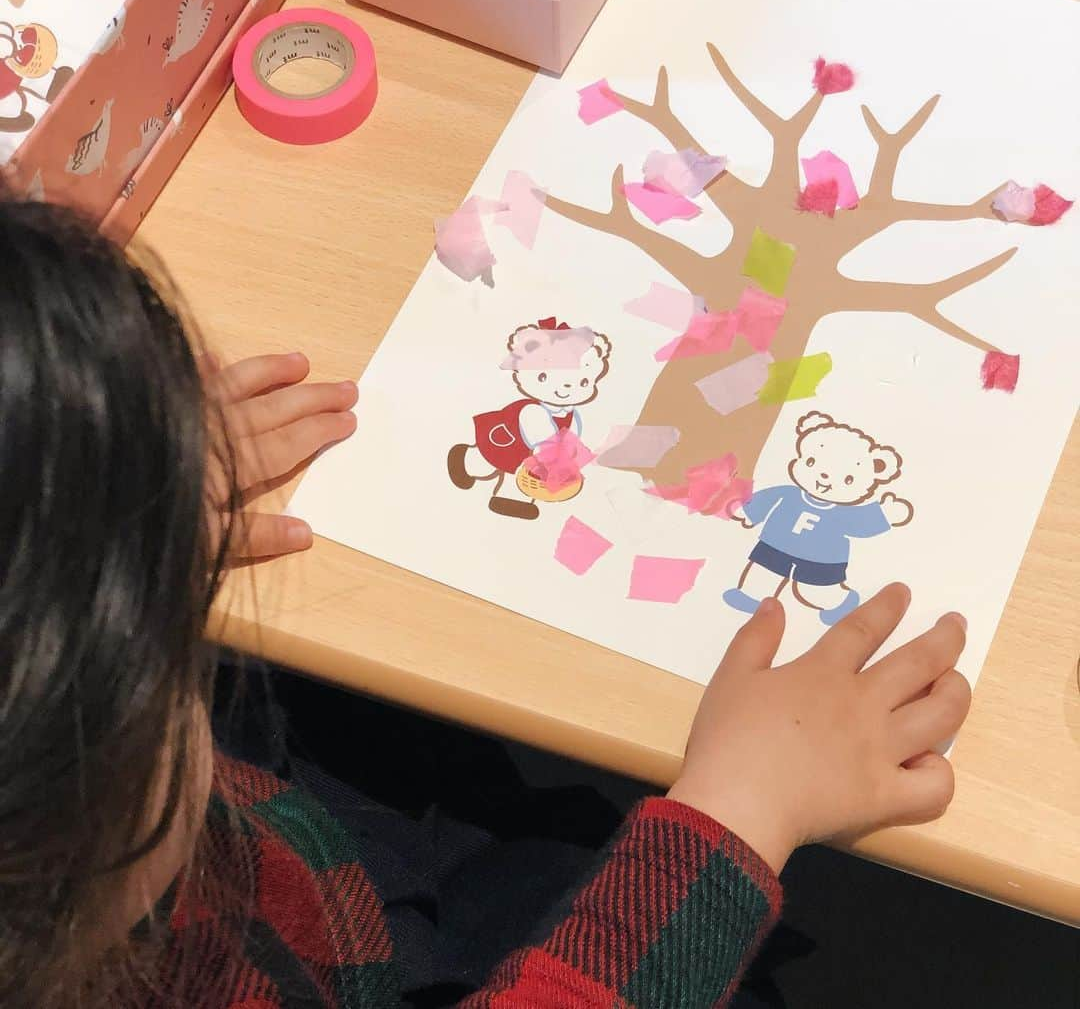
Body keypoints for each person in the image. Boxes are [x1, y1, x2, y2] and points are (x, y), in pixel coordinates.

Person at [0, 198, 972, 1009]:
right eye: (168, 629)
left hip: (302, 859)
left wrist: (118, 505)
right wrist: (744, 805)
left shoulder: (75, 856)